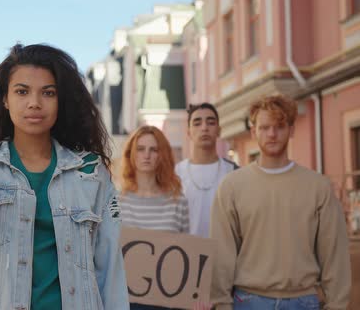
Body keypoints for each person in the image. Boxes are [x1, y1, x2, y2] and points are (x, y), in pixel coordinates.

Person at [0, 44, 129, 309]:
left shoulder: (91, 172)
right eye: (22, 91)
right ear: (5, 99)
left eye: (48, 93)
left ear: (61, 101)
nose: (34, 102)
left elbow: (110, 269)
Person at [210, 95, 351, 309]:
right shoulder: (232, 186)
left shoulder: (318, 187)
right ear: (253, 131)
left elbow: (334, 253)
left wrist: (337, 305)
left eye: (280, 126)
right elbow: (222, 252)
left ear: (292, 130)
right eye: (264, 127)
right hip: (248, 301)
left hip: (303, 300)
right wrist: (220, 303)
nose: (272, 134)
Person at [119, 125, 189, 310]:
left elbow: (185, 254)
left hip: (168, 300)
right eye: (141, 149)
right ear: (132, 155)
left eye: (153, 149)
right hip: (127, 300)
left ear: (162, 155)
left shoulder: (178, 201)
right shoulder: (116, 201)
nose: (146, 155)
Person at [175, 103, 238, 238]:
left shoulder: (234, 173)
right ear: (188, 132)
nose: (204, 128)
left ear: (219, 130)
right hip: (185, 254)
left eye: (210, 123)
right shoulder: (175, 174)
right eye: (197, 123)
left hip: (224, 255)